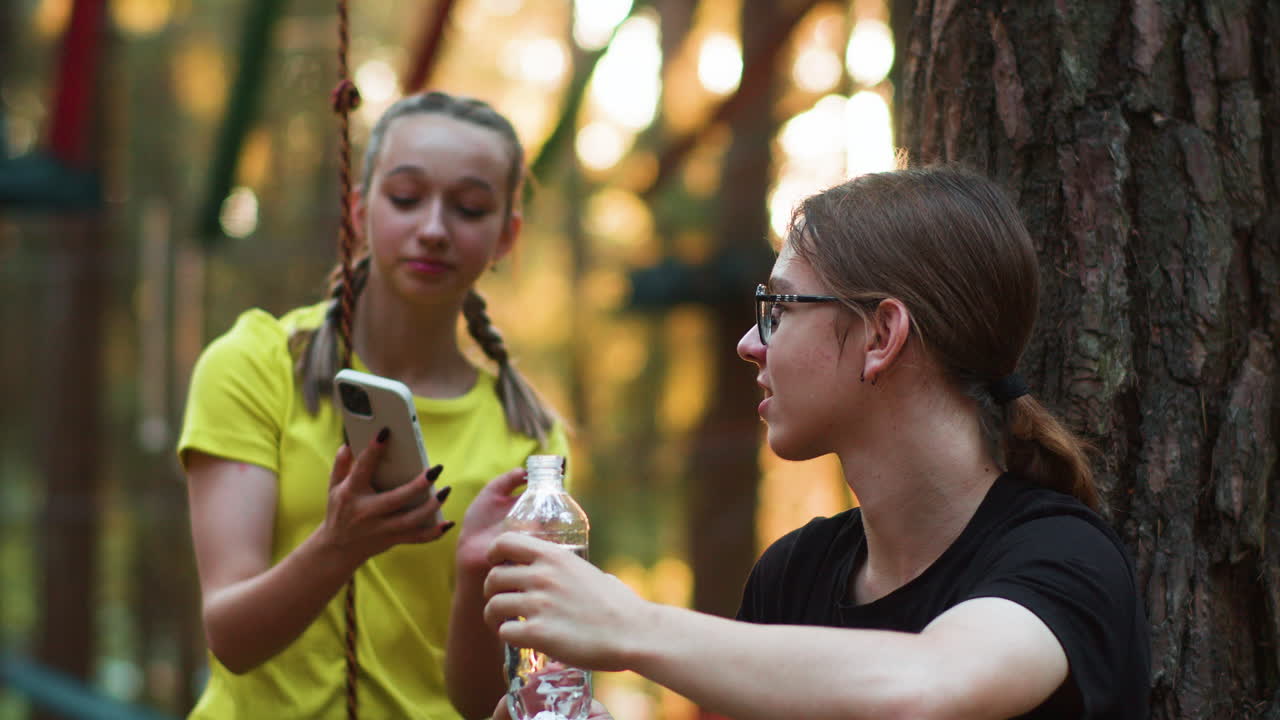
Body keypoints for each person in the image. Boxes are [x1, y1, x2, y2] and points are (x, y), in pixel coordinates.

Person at [477, 165, 1151, 719]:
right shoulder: (794, 575)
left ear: (881, 336)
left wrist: (628, 626)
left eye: (778, 309)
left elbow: (931, 683)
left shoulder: (1062, 557)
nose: (748, 344)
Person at [178, 90, 568, 719]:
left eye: (469, 207)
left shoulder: (531, 441)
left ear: (506, 235)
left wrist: (474, 579)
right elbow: (231, 636)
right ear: (359, 211)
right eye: (406, 198)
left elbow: (493, 704)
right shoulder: (255, 365)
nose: (434, 229)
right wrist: (339, 544)